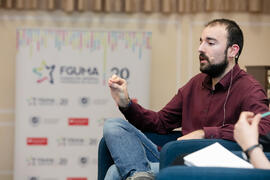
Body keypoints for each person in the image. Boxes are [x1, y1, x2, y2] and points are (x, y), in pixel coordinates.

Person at [103, 18, 270, 180]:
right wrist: (126, 104)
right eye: (201, 42)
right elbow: (160, 122)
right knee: (113, 125)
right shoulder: (195, 83)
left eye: (210, 43)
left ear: (233, 51)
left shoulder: (249, 88)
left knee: (114, 172)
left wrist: (205, 133)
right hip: (172, 157)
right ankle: (140, 175)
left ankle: (139, 174)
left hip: (208, 165)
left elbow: (264, 128)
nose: (200, 48)